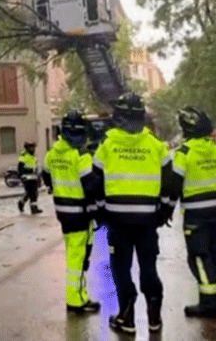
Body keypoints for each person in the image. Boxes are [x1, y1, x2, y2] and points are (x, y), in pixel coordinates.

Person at [92, 92, 172, 335]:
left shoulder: (107, 146)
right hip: (148, 220)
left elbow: (95, 183)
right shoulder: (157, 147)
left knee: (121, 268)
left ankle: (126, 317)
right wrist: (164, 211)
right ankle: (154, 316)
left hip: (117, 221)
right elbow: (170, 184)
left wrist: (100, 212)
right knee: (149, 267)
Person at [169, 107, 216, 318]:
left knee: (199, 257)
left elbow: (174, 186)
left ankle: (208, 302)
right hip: (215, 211)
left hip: (195, 215)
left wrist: (166, 210)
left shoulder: (184, 153)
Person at [41, 110, 101, 313]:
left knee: (73, 253)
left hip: (63, 213)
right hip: (80, 213)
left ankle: (80, 295)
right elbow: (90, 186)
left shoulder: (51, 154)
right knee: (78, 258)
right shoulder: (80, 155)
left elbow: (46, 177)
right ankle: (76, 300)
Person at [18, 142, 43, 214]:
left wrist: (39, 177)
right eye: (32, 147)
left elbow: (36, 167)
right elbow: (20, 166)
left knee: (35, 193)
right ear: (28, 148)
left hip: (34, 177)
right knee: (29, 193)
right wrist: (22, 176)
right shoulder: (23, 155)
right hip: (26, 177)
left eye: (34, 147)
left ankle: (34, 208)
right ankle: (21, 203)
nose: (33, 149)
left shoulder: (34, 156)